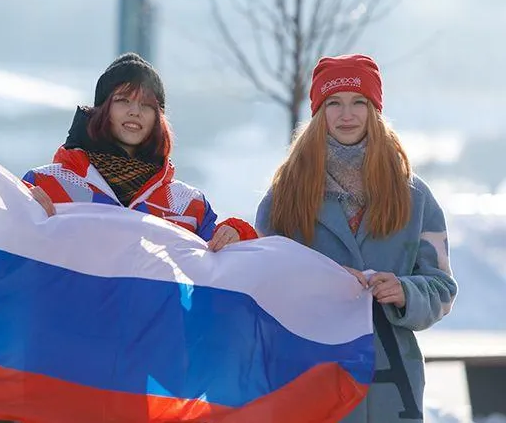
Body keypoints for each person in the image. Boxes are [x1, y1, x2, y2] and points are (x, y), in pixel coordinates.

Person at [255, 54, 458, 423]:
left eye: (358, 102)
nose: (346, 115)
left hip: (392, 390)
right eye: (334, 102)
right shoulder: (284, 196)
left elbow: (443, 289)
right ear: (319, 112)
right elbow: (262, 286)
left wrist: (406, 292)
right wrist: (318, 281)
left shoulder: (415, 196)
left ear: (374, 110)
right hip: (309, 382)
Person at [23, 53, 257, 248]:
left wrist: (237, 234)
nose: (135, 111)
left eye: (146, 105)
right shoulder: (47, 182)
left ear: (158, 118)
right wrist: (19, 210)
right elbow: (2, 252)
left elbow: (229, 273)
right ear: (102, 109)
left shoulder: (187, 204)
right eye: (123, 100)